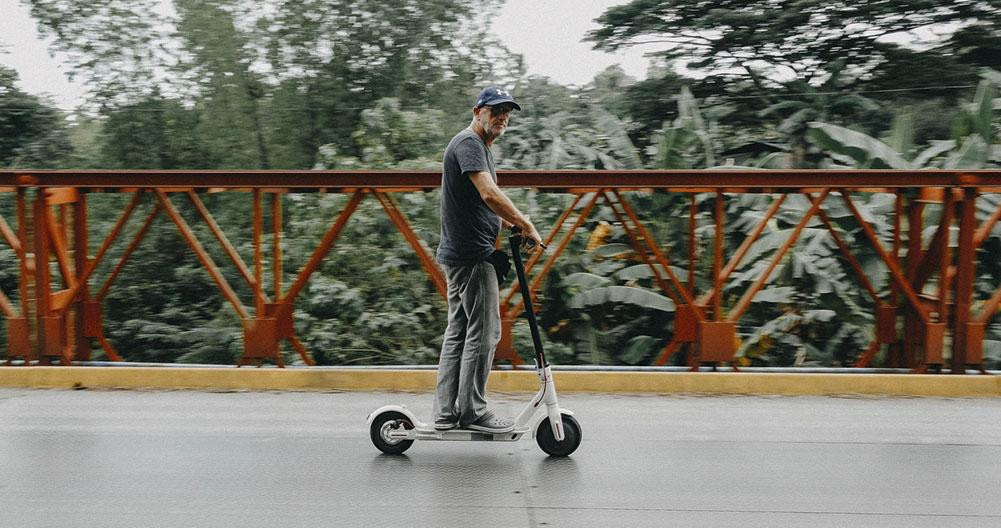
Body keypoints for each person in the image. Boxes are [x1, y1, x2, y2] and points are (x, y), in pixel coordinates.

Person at [432, 86, 544, 433]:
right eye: (496, 110)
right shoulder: (469, 143)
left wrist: (512, 225)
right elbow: (488, 193)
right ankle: (474, 412)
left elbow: (482, 201)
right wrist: (526, 224)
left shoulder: (476, 146)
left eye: (507, 111)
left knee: (460, 331)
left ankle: (446, 413)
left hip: (459, 253)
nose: (503, 117)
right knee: (486, 333)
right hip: (471, 255)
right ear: (477, 110)